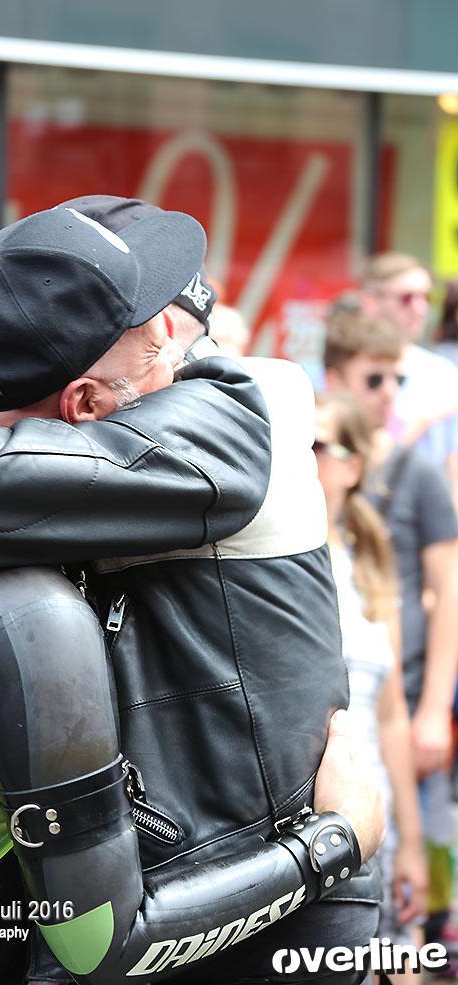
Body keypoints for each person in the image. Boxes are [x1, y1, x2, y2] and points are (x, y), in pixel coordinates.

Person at [0, 203, 383, 982]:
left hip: (267, 903)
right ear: (84, 403)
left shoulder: (240, 409)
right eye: (145, 322)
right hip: (138, 889)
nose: (174, 334)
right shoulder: (73, 435)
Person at [324, 309, 458, 950]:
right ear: (336, 377)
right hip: (333, 762)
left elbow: (449, 590)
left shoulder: (414, 473)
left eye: (398, 382)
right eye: (375, 379)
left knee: (414, 899)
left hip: (390, 693)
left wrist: (434, 707)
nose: (389, 395)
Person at [315, 389, 427, 982]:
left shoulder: (369, 563)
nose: (303, 455)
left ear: (353, 467)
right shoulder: (269, 560)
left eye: (319, 445)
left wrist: (411, 841)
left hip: (380, 819)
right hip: (321, 837)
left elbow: (392, 718)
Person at [360, 252, 458, 486]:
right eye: (406, 298)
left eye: (426, 297)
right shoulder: (351, 370)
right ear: (371, 302)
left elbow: (452, 461)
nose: (420, 308)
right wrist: (421, 421)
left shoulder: (443, 372)